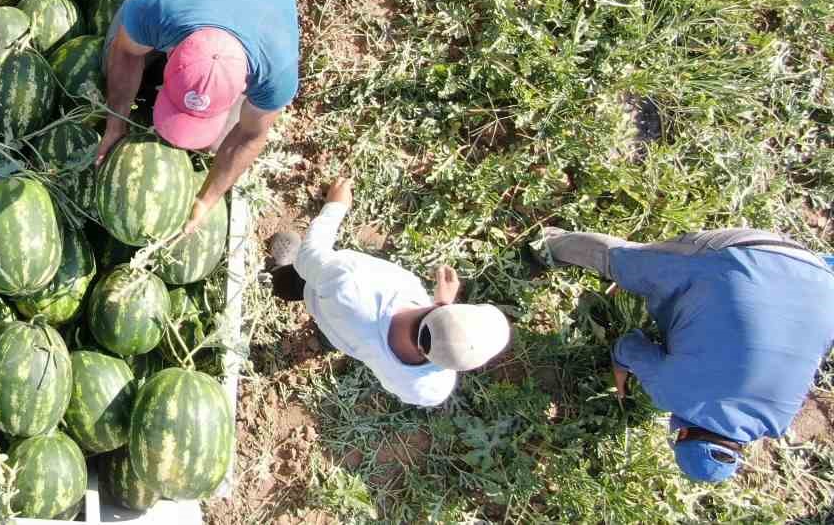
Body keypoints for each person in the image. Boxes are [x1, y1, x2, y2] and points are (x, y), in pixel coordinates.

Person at [534, 225, 834, 482]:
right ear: (683, 435)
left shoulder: (779, 421)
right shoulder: (676, 396)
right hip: (739, 254)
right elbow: (628, 346)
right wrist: (619, 367)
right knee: (625, 263)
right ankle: (548, 242)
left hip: (820, 279)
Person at [94, 0, 299, 233]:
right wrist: (115, 122)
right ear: (171, 53)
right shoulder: (159, 12)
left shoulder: (275, 73)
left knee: (215, 145)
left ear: (243, 85)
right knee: (110, 62)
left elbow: (250, 136)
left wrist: (206, 199)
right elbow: (125, 52)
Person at [266, 178, 512, 407]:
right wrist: (442, 308)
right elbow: (433, 343)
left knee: (296, 281)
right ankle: (326, 337)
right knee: (341, 334)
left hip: (320, 294)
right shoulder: (432, 390)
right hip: (352, 337)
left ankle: (276, 276)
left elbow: (309, 258)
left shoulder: (350, 286)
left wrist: (335, 206)